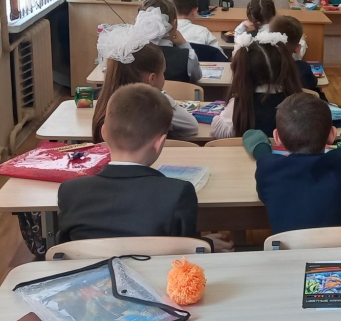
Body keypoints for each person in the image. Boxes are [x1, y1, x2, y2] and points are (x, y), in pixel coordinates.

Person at [58, 84, 232, 251]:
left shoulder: (70, 191)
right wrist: (204, 244)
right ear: (159, 142)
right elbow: (181, 252)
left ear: (104, 133)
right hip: (157, 272)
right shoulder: (178, 193)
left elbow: (67, 251)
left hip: (88, 272)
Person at [242, 93, 341, 234]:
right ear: (332, 134)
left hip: (287, 248)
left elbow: (263, 194)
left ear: (277, 137)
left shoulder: (267, 167)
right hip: (336, 248)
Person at [92, 11, 198, 143]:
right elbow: (191, 127)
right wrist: (162, 96)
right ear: (152, 79)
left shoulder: (105, 100)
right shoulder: (156, 103)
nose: (164, 78)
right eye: (163, 73)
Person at [210, 30, 301, 138]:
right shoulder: (299, 103)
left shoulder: (240, 103)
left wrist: (219, 116)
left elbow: (217, 129)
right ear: (284, 67)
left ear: (244, 72)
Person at [139, 0, 202, 83]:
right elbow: (197, 76)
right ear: (175, 25)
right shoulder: (188, 57)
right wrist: (184, 44)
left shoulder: (131, 57)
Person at [269, 15, 326, 100]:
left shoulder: (260, 67)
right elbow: (313, 83)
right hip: (296, 106)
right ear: (298, 48)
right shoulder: (303, 68)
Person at [235, 0, 308, 58]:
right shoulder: (284, 31)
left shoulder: (247, 37)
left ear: (251, 17)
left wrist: (243, 24)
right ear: (273, 12)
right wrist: (303, 41)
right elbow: (297, 53)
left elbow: (237, 39)